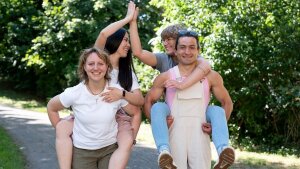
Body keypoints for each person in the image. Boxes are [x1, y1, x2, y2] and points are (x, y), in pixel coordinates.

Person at [130, 8, 235, 169]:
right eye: (183, 47)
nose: (187, 51)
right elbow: (148, 101)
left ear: (198, 50)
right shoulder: (165, 71)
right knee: (158, 107)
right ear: (177, 51)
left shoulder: (209, 73)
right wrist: (160, 124)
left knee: (216, 111)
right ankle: (163, 150)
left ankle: (223, 150)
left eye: (192, 47)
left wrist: (215, 127)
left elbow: (227, 103)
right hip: (175, 128)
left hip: (200, 129)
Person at [53, 1, 143, 169]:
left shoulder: (126, 73)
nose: (128, 45)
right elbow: (103, 35)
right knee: (62, 128)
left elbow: (139, 102)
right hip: (91, 109)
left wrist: (121, 94)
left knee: (126, 140)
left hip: (117, 114)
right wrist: (128, 19)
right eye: (125, 40)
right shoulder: (100, 60)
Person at [48, 47, 138, 169]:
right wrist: (61, 130)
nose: (96, 68)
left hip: (109, 149)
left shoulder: (115, 91)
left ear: (107, 67)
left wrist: (131, 139)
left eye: (100, 64)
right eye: (91, 64)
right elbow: (51, 108)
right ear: (84, 67)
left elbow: (136, 112)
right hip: (82, 152)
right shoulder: (74, 93)